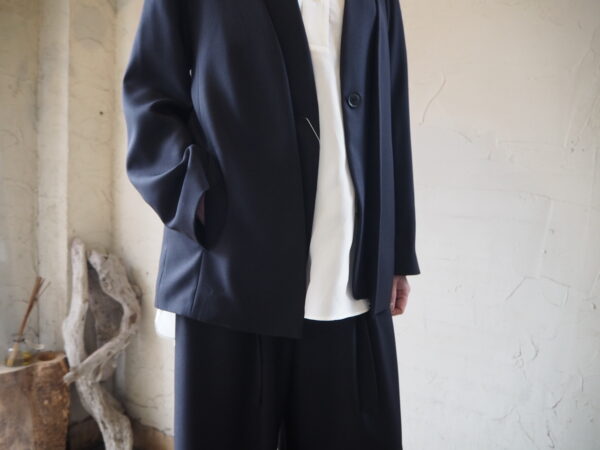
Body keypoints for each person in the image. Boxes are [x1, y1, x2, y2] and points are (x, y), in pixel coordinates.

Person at [122, 0, 420, 448]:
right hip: (231, 268)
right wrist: (196, 200)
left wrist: (394, 249)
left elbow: (392, 107)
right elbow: (149, 95)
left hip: (350, 275)